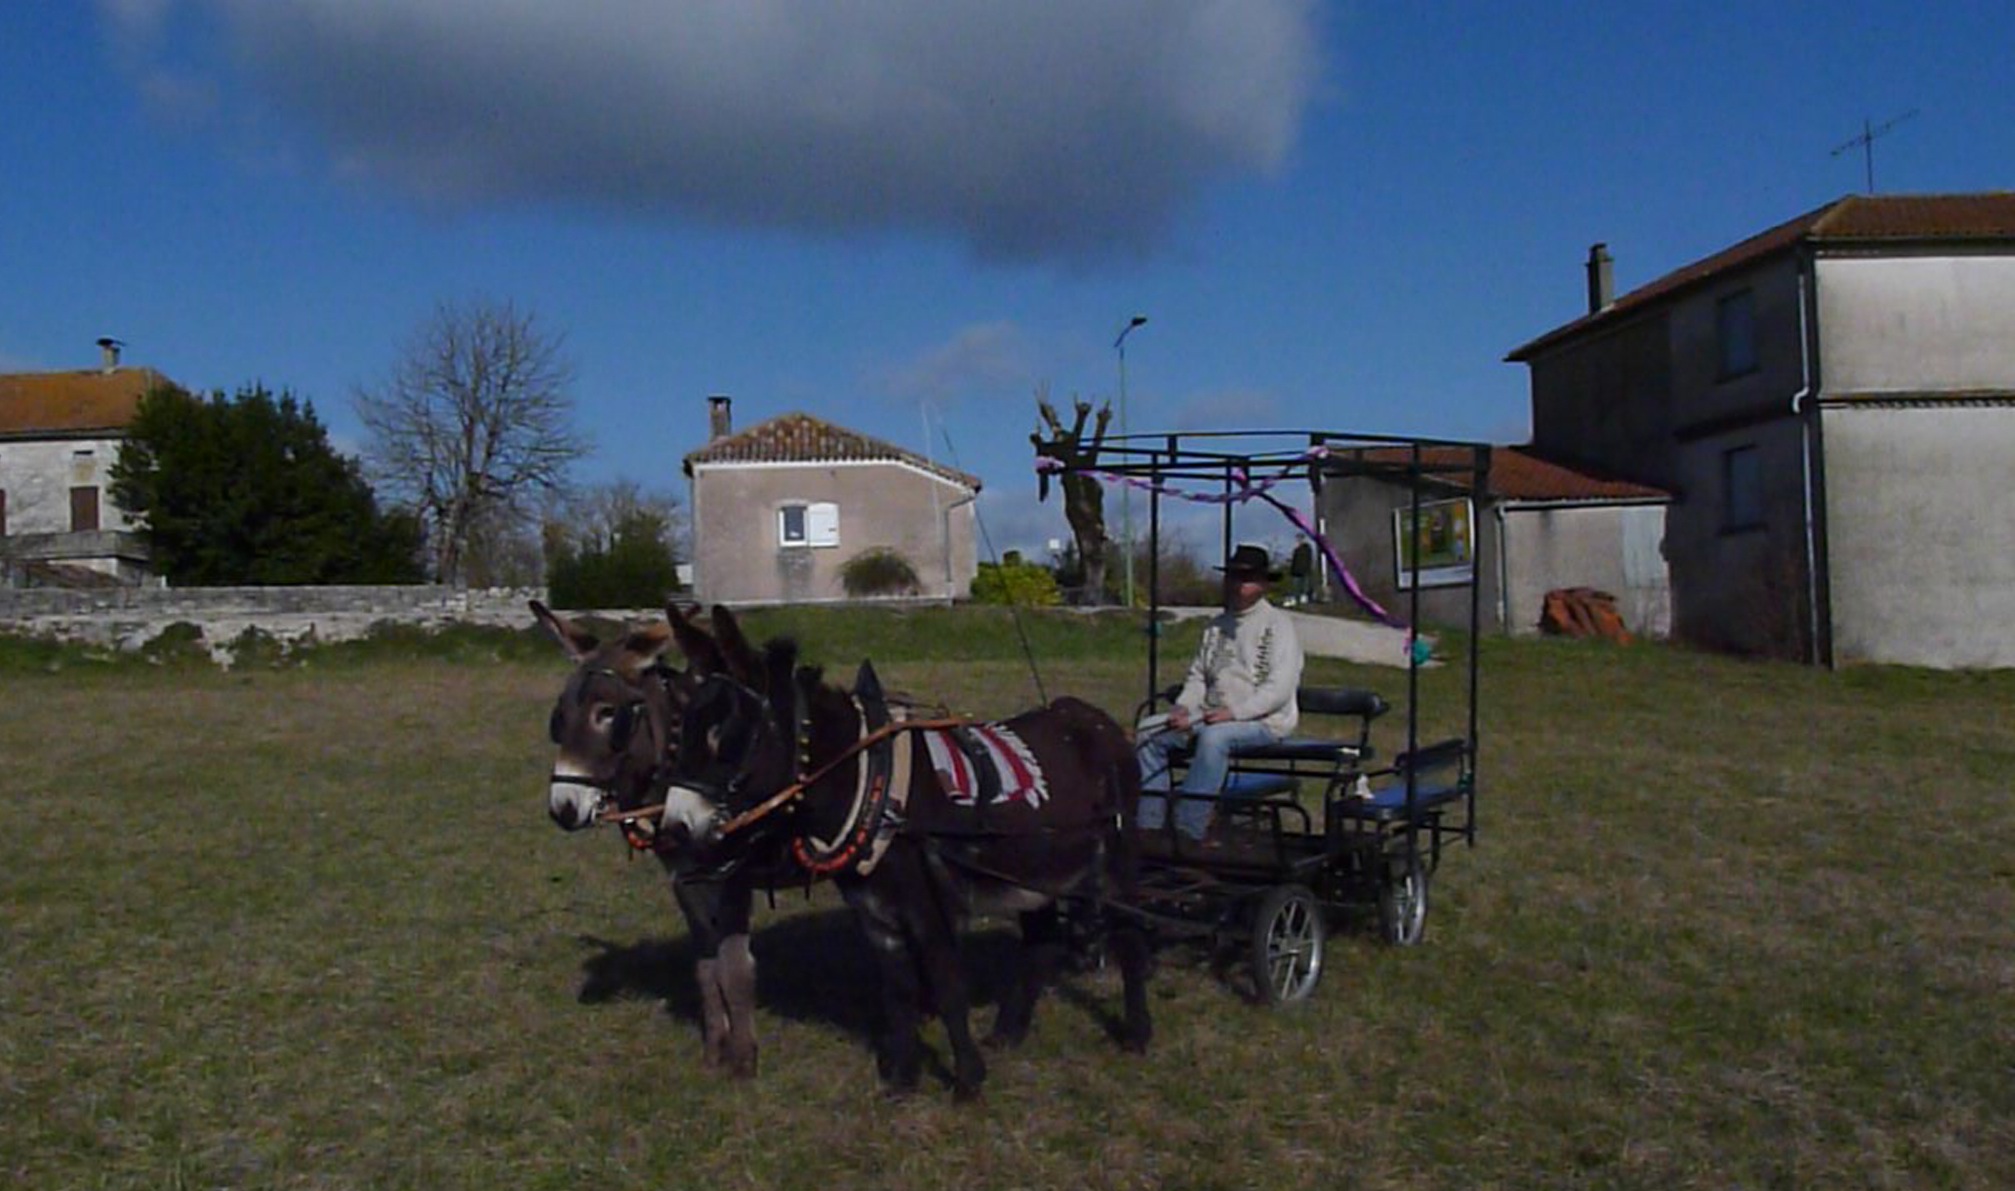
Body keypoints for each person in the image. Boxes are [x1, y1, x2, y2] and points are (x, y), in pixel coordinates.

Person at [1136, 544, 1305, 843]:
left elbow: (1279, 689)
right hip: (1210, 715)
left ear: (1264, 584)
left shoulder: (1279, 626)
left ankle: (1189, 828)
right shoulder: (1216, 627)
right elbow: (1199, 675)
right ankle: (1149, 824)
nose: (1240, 585)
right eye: (1235, 577)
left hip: (1264, 722)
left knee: (1216, 738)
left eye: (1248, 578)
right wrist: (1184, 707)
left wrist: (1233, 714)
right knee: (1149, 731)